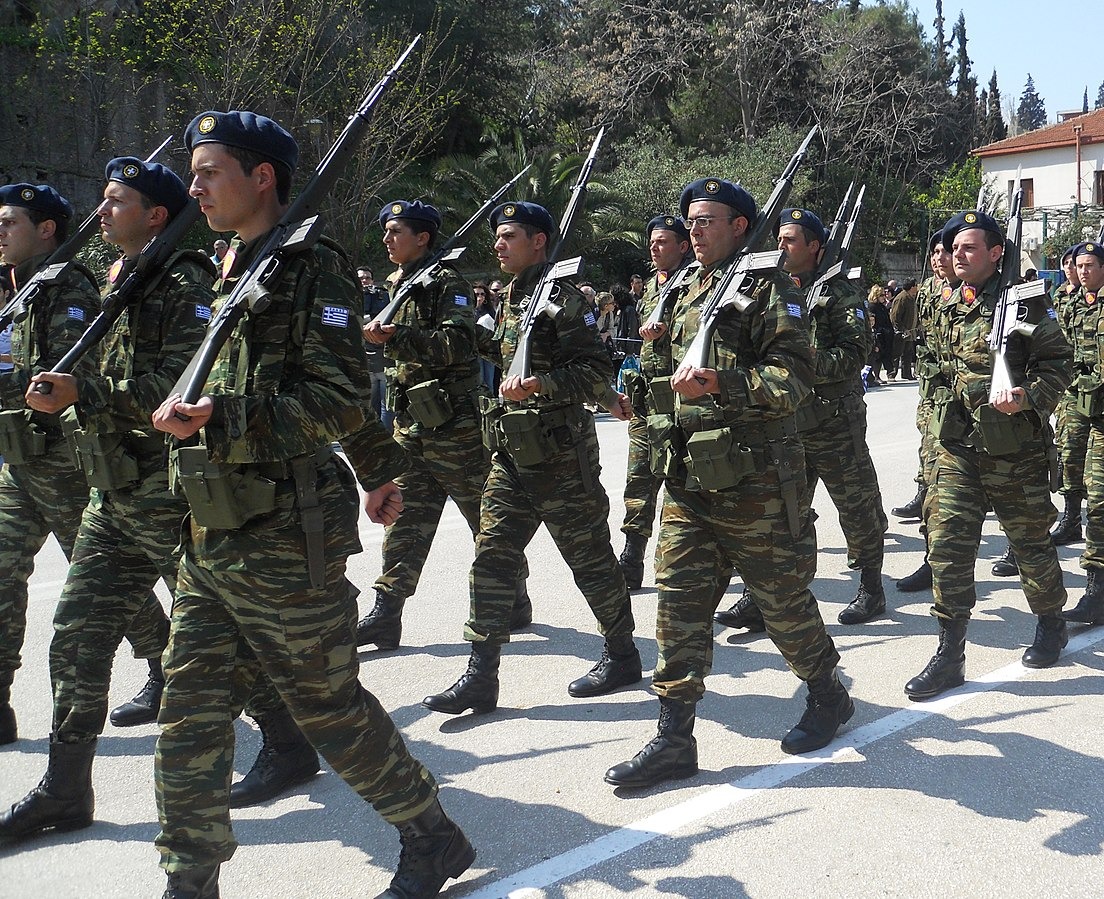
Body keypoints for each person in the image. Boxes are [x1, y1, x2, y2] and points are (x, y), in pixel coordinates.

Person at [150, 110, 473, 899]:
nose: (195, 187)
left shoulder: (311, 267)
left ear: (262, 178)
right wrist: (378, 465)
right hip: (211, 532)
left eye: (208, 171)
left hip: (287, 535)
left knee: (331, 710)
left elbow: (334, 394)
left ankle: (430, 835)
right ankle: (188, 883)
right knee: (188, 721)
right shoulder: (230, 264)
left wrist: (223, 419)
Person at [606, 178, 852, 789]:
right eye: (691, 219)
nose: (694, 229)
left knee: (784, 605)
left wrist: (722, 383)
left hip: (757, 484)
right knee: (679, 608)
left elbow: (794, 380)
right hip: (689, 480)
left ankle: (826, 692)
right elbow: (664, 379)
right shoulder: (682, 288)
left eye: (708, 219)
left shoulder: (771, 289)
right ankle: (674, 737)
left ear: (740, 226)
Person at [0, 158, 215, 843]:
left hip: (157, 484)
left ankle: (285, 731)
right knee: (78, 634)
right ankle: (66, 786)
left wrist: (80, 395)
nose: (101, 211)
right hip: (105, 485)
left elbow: (171, 385)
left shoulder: (183, 282)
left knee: (214, 623)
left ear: (155, 215)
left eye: (115, 201)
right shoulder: (123, 278)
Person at [423, 200, 641, 717]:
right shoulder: (511, 297)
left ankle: (622, 651)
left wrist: (543, 383)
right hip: (509, 454)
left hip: (562, 454)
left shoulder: (561, 299)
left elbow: (593, 369)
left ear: (539, 241)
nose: (497, 245)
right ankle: (481, 674)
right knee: (492, 555)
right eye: (497, 236)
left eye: (510, 236)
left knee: (588, 558)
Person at [0, 183, 166, 749]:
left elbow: (63, 374)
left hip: (63, 461)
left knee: (104, 581)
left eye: (9, 222)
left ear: (45, 229)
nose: (0, 232)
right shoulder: (16, 290)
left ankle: (162, 655)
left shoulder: (67, 286)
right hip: (18, 462)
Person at [904, 209, 1073, 702]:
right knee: (949, 551)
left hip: (1013, 453)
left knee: (1029, 547)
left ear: (996, 252)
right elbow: (933, 364)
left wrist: (1026, 396)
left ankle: (1050, 621)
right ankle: (950, 653)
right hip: (957, 451)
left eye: (970, 248)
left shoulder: (1025, 303)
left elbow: (1060, 364)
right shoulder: (945, 301)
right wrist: (935, 427)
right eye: (955, 248)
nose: (958, 255)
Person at [356, 199, 530, 651]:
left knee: (486, 521)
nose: (387, 240)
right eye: (386, 232)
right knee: (404, 523)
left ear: (423, 238)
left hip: (455, 430)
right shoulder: (398, 283)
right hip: (410, 428)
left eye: (396, 232)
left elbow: (458, 342)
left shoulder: (445, 283)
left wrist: (398, 337)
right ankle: (386, 612)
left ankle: (514, 596)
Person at [719, 207, 887, 628]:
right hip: (786, 419)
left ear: (815, 247)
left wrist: (805, 361)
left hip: (833, 420)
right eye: (779, 238)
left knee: (856, 504)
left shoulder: (840, 293)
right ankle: (762, 596)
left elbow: (855, 355)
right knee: (784, 510)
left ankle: (871, 585)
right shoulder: (771, 291)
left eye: (791, 239)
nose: (781, 245)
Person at [616, 215, 693, 590]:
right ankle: (632, 556)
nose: (654, 246)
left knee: (687, 482)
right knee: (638, 480)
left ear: (683, 246)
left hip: (682, 404)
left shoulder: (696, 284)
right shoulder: (650, 287)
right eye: (652, 241)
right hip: (648, 403)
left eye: (663, 241)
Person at [895, 228, 960, 592]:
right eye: (934, 251)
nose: (939, 258)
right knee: (935, 500)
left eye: (944, 251)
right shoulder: (932, 295)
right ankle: (931, 562)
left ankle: (1017, 550)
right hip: (939, 412)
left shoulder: (993, 297)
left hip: (987, 419)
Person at [1061, 241, 1104, 626]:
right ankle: (1096, 592)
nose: (1083, 270)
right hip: (1091, 411)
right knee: (1098, 497)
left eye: (1090, 264)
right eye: (1079, 265)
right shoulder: (1078, 303)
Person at [1049, 245, 1088, 546]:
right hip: (1074, 389)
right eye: (1072, 264)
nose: (1075, 270)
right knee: (1071, 451)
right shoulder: (1062, 296)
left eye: (1085, 265)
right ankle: (1072, 517)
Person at [358, 265, 389, 425]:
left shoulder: (383, 296)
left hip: (383, 361)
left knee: (386, 408)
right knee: (369, 407)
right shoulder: (349, 297)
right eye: (361, 278)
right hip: (364, 364)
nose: (364, 281)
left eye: (367, 278)